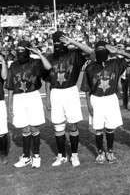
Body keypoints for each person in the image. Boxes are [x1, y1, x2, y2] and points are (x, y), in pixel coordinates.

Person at [45, 32, 93, 167]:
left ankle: (74, 155)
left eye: (61, 40)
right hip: (55, 93)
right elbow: (48, 80)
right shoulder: (50, 57)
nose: (58, 44)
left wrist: (72, 42)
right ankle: (61, 155)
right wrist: (47, 98)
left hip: (70, 91)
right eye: (56, 41)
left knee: (72, 125)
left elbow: (91, 52)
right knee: (58, 126)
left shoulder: (74, 54)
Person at [81, 41, 130, 164]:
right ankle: (100, 152)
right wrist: (88, 104)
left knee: (110, 128)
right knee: (98, 129)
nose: (101, 52)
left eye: (103, 49)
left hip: (110, 99)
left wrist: (118, 51)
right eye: (98, 49)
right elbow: (87, 89)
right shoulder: (90, 67)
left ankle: (110, 151)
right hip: (96, 99)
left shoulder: (115, 63)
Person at [6, 40, 51, 168]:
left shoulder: (35, 62)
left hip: (33, 96)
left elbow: (48, 67)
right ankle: (26, 157)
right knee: (24, 128)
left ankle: (36, 156)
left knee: (34, 128)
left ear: (27, 50)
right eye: (18, 49)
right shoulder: (13, 65)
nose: (20, 51)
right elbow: (9, 86)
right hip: (18, 98)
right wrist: (10, 104)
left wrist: (39, 54)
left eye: (22, 49)